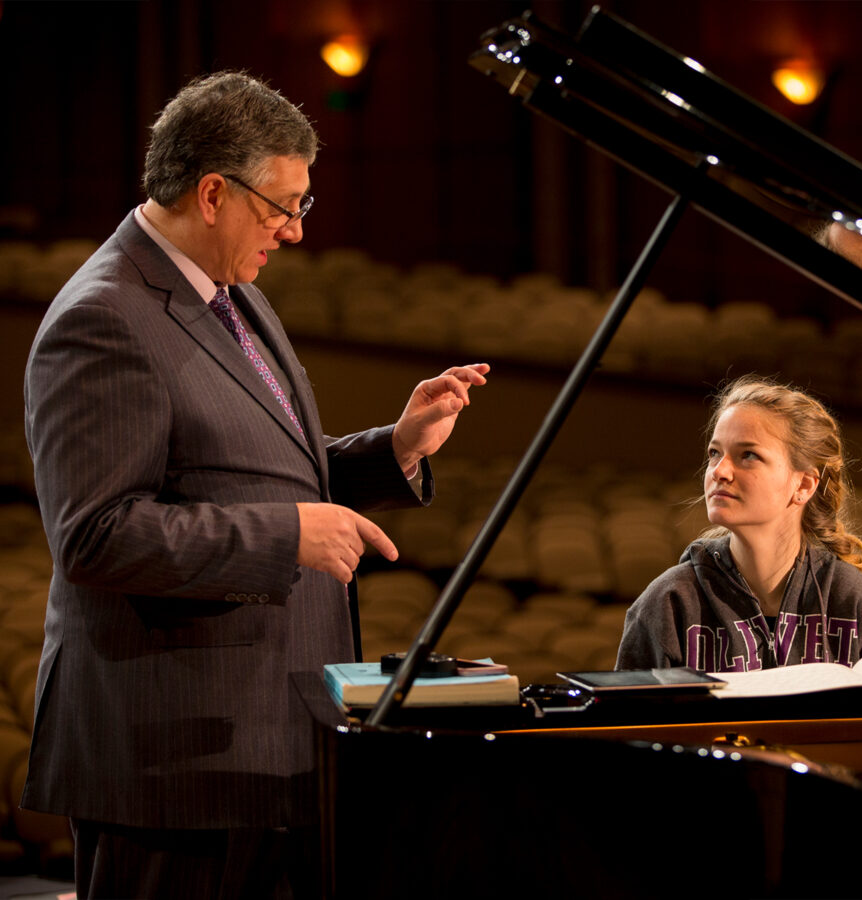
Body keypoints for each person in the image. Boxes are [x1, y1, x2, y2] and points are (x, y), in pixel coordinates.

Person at [21, 71, 489, 899]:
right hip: (173, 766)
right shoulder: (103, 316)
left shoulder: (232, 294)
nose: (296, 231)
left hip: (265, 751)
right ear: (212, 193)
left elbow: (264, 471)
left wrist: (397, 449)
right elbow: (94, 533)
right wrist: (287, 536)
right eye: (284, 205)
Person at [616, 375, 862, 673]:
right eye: (715, 453)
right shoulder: (669, 604)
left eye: (748, 455)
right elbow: (628, 720)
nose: (719, 471)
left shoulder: (856, 604)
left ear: (803, 485)